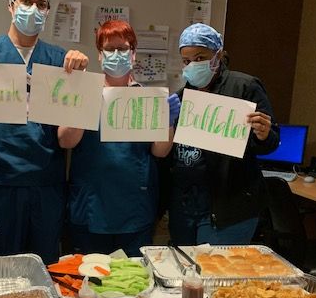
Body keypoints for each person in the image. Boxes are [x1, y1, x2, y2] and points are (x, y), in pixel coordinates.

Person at [0, 0, 89, 264]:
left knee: (43, 264)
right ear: (11, 5)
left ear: (48, 11)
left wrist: (79, 76)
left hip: (46, 182)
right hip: (0, 181)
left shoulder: (59, 60)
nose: (33, 9)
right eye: (26, 1)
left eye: (41, 4)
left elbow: (67, 131)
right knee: (1, 265)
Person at [58, 20, 179, 256]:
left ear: (133, 54)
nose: (116, 54)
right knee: (91, 274)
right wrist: (83, 101)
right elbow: (66, 141)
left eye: (122, 48)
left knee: (133, 275)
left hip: (134, 209)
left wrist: (169, 122)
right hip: (91, 207)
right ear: (100, 55)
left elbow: (160, 151)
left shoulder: (146, 99)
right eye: (109, 49)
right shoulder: (86, 92)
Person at [167, 23, 280, 245]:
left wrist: (264, 134)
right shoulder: (181, 98)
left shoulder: (244, 87)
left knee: (213, 265)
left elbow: (270, 142)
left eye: (200, 58)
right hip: (186, 206)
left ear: (218, 55)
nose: (192, 65)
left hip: (228, 206)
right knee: (184, 265)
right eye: (186, 61)